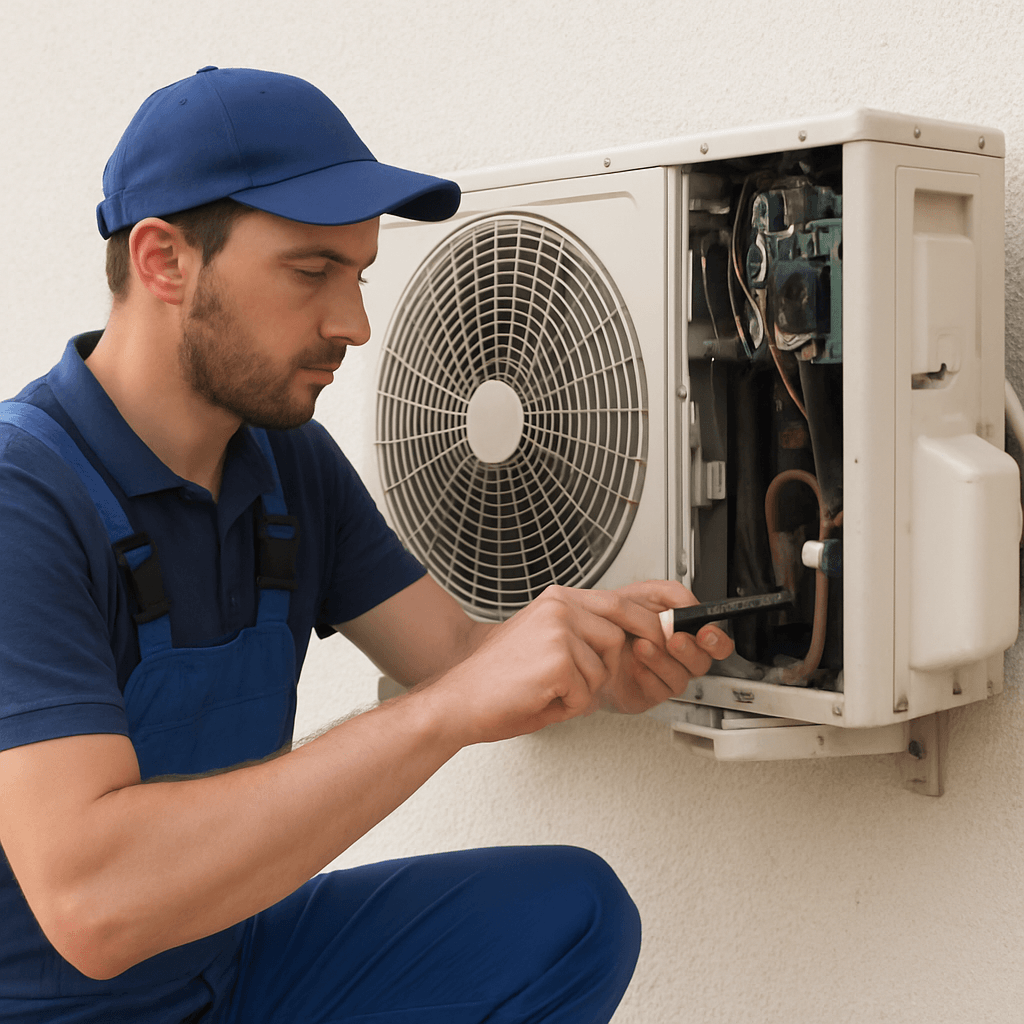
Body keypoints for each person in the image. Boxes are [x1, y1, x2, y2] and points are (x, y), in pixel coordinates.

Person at [0, 67, 732, 1024]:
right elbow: (93, 907)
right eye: (311, 273)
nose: (353, 323)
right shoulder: (26, 501)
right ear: (164, 261)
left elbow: (459, 659)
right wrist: (445, 714)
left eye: (358, 275)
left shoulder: (283, 460)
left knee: (572, 916)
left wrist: (595, 658)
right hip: (56, 1006)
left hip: (227, 970)